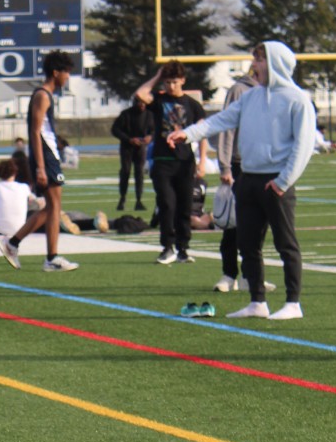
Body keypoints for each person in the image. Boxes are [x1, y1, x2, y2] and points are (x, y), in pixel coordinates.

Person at [167, 40, 315, 321]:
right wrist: (188, 134)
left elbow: (304, 145)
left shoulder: (297, 100)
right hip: (247, 179)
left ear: (275, 63)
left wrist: (284, 181)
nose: (253, 64)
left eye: (259, 59)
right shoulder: (250, 97)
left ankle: (293, 303)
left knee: (286, 243)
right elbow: (220, 121)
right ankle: (257, 301)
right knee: (247, 244)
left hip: (276, 182)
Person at [0, 51, 78, 272]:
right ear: (56, 72)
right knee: (54, 206)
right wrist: (40, 167)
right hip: (46, 157)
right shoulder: (42, 95)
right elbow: (35, 132)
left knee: (53, 207)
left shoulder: (47, 95)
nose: (67, 77)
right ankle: (50, 257)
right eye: (66, 73)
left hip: (50, 156)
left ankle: (14, 243)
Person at [134, 61, 207, 265]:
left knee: (185, 206)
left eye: (174, 81)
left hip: (185, 162)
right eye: (167, 82)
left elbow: (203, 133)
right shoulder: (159, 100)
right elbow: (140, 93)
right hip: (163, 161)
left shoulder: (192, 105)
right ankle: (168, 247)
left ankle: (183, 248)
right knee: (166, 203)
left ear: (183, 80)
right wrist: (158, 76)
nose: (170, 86)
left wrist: (202, 161)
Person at [209, 69, 272, 298]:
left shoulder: (275, 91)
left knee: (259, 224)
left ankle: (250, 275)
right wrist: (225, 166)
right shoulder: (239, 90)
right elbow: (227, 128)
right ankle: (229, 274)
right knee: (233, 223)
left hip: (264, 165)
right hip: (239, 164)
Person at [110, 95, 151, 210]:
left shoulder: (149, 114)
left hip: (141, 148)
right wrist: (129, 139)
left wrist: (150, 137)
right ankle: (122, 198)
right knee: (125, 171)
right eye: (140, 102)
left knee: (139, 173)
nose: (142, 105)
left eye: (144, 103)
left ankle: (139, 200)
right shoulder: (126, 114)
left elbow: (154, 129)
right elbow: (115, 129)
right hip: (127, 147)